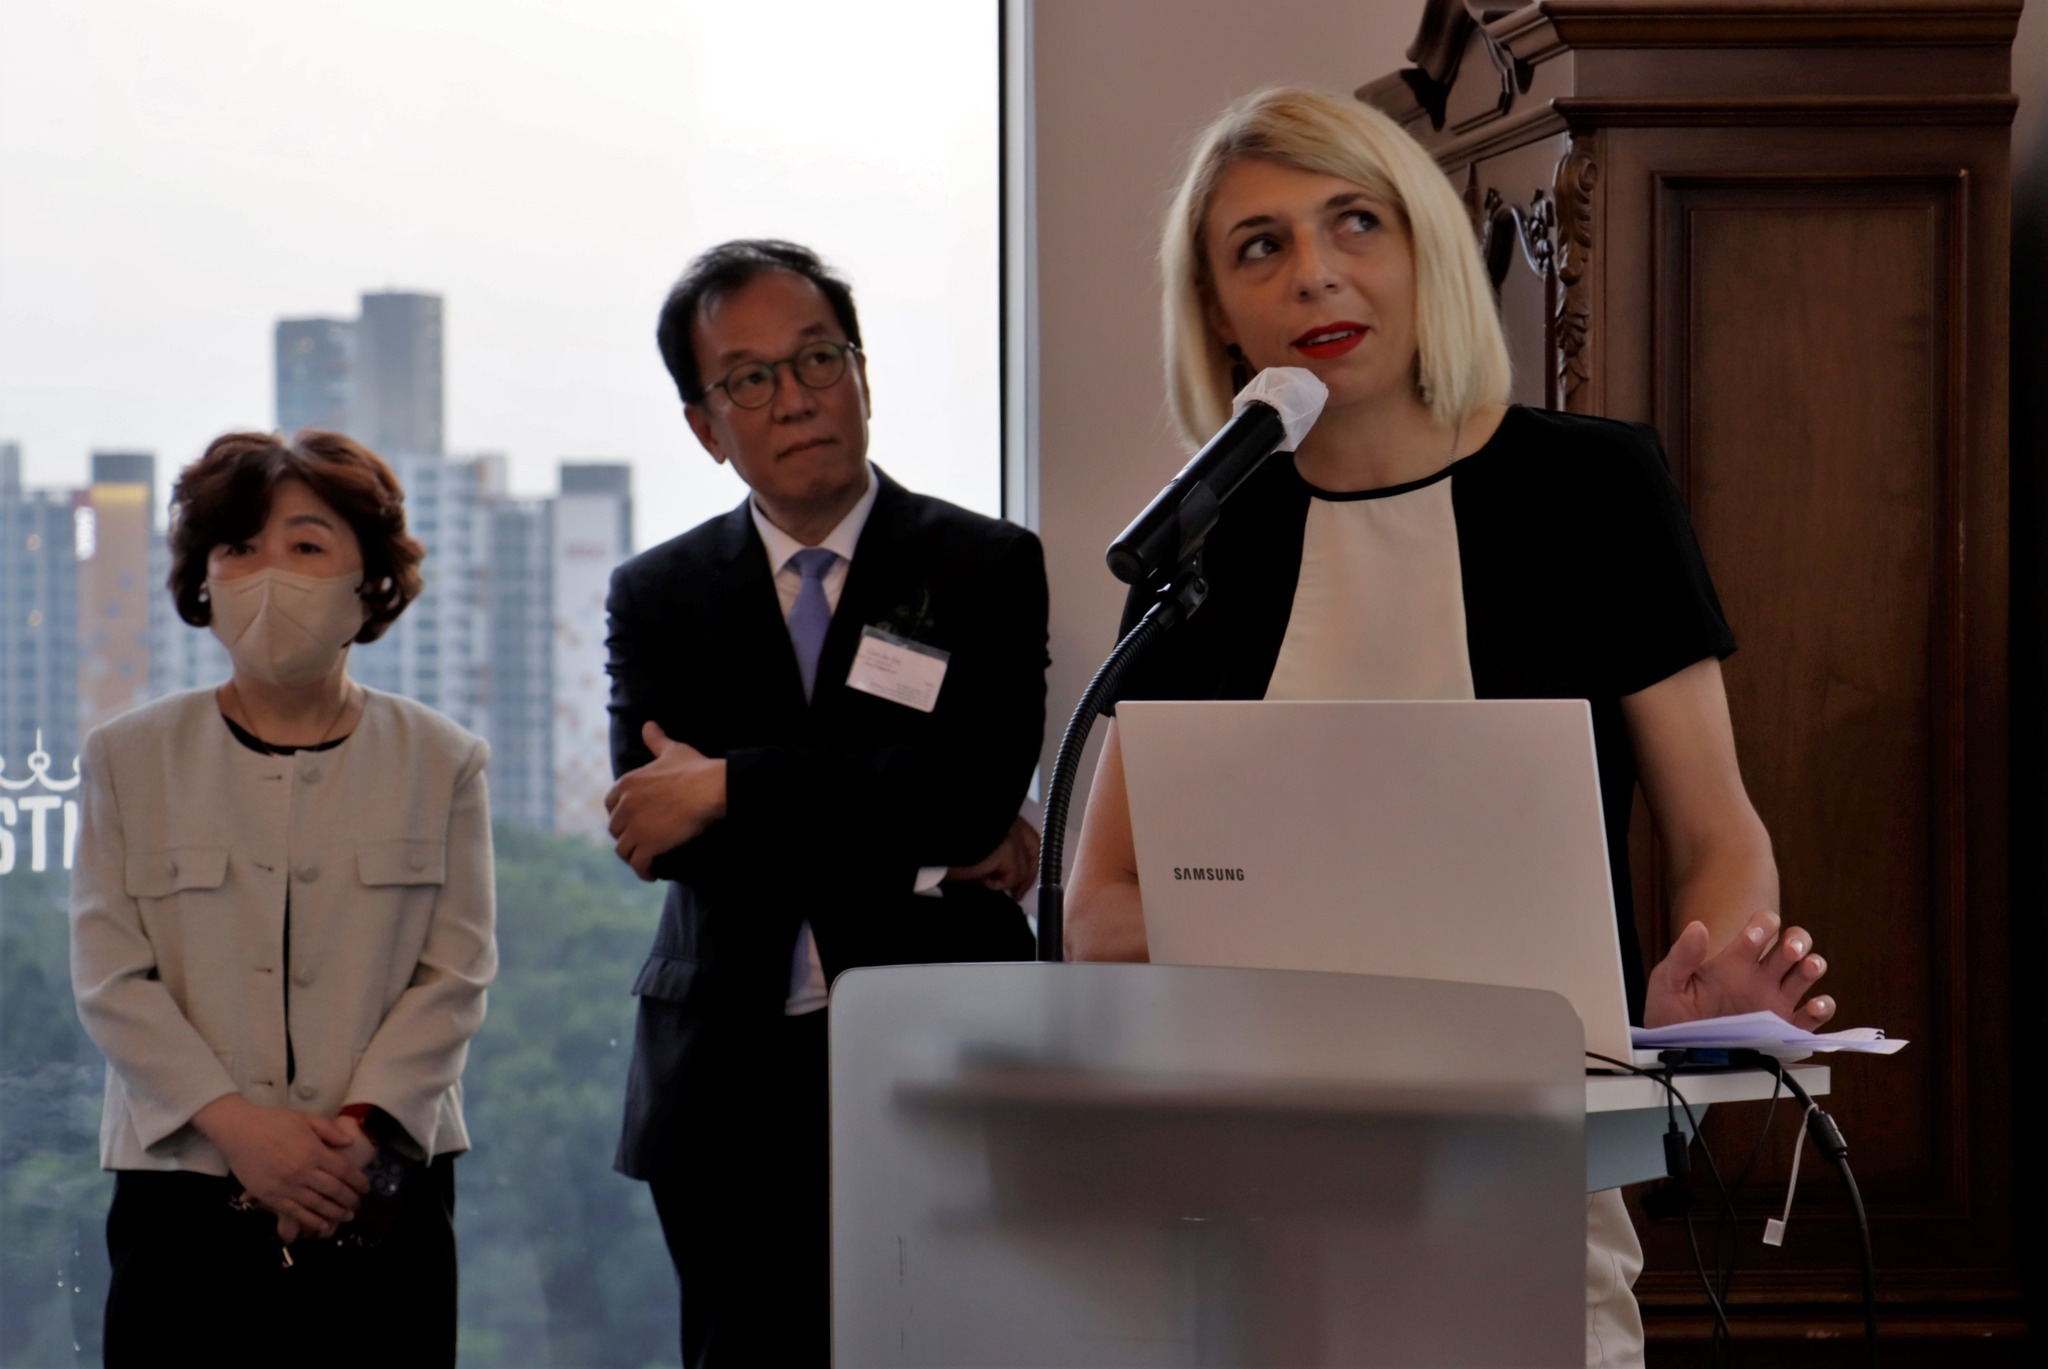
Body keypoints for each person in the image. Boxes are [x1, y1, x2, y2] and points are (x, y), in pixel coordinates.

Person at [1064, 87, 1836, 1368]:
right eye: (1259, 245)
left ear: (1424, 244)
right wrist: (1390, 935)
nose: (1314, 273)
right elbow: (1096, 914)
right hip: (1244, 1188)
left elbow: (1717, 833)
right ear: (1215, 310)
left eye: (1353, 222)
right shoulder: (1203, 541)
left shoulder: (1591, 490)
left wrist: (1691, 1004)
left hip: (1530, 1176)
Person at [603, 239, 1048, 1367]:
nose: (795, 398)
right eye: (749, 379)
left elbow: (967, 792)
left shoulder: (984, 565)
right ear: (705, 425)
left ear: (860, 374)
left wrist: (726, 784)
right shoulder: (656, 594)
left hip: (945, 1054)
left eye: (816, 359)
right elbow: (662, 838)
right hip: (726, 1082)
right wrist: (911, 847)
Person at [69, 431, 497, 1368]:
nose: (268, 574)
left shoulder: (442, 759)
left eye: (306, 545)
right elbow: (111, 979)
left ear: (369, 580)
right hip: (183, 1187)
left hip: (378, 1184)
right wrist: (242, 1130)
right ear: (203, 578)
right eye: (238, 547)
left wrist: (351, 1138)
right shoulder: (127, 758)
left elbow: (456, 975)